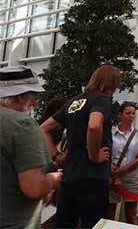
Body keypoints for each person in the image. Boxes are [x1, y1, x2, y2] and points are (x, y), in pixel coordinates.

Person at [40, 65, 120, 229]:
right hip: (93, 178)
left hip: (69, 178)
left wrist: (56, 155)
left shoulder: (74, 102)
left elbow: (43, 129)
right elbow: (94, 125)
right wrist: (94, 155)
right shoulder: (101, 100)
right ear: (113, 82)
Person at [0, 66, 63, 229]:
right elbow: (33, 187)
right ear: (20, 96)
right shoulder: (22, 124)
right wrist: (54, 179)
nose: (35, 103)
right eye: (34, 95)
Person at [105, 101, 138, 225]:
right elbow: (105, 152)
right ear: (120, 115)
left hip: (132, 175)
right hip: (112, 174)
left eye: (133, 113)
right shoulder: (111, 132)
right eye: (128, 113)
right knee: (109, 213)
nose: (131, 116)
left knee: (131, 214)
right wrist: (112, 170)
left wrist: (124, 169)